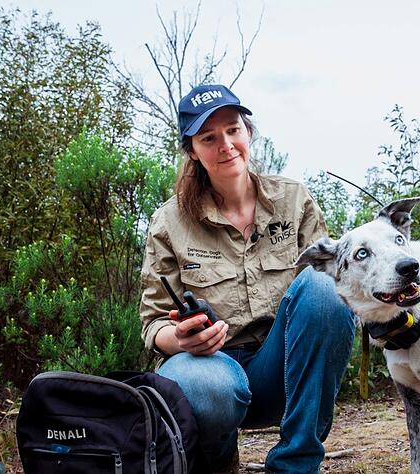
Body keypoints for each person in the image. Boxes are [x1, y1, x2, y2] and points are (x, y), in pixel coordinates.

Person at [140, 84, 356, 474]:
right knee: (202, 384)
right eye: (209, 137)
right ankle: (219, 461)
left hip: (285, 370)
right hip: (211, 371)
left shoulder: (294, 200)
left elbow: (332, 294)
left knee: (327, 286)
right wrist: (180, 337)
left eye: (233, 130)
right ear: (192, 150)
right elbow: (153, 323)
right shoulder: (168, 222)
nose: (225, 145)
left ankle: (296, 464)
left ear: (249, 132)